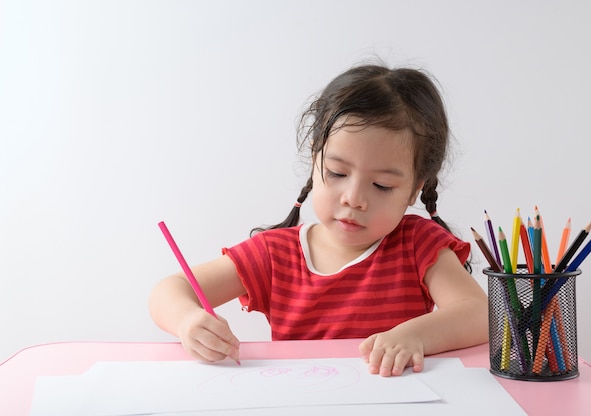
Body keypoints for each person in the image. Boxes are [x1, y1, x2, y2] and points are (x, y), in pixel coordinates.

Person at [149, 62, 488, 377]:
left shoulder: (419, 245)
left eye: (382, 185)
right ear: (315, 161)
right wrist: (188, 320)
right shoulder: (274, 254)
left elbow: (481, 314)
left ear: (416, 189)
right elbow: (169, 290)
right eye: (337, 172)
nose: (353, 198)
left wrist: (414, 336)